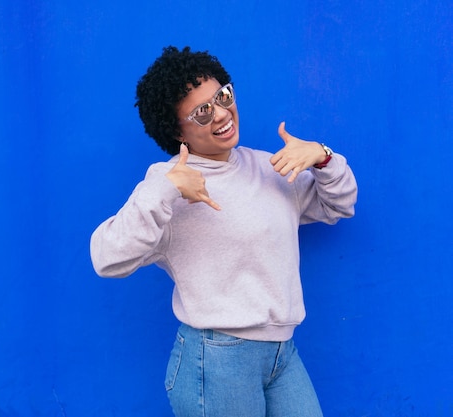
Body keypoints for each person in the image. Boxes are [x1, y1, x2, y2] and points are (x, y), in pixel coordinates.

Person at [89, 46, 357, 417]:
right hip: (216, 360)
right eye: (201, 112)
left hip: (282, 352)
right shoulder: (167, 186)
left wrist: (323, 158)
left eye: (222, 97)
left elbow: (338, 205)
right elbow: (106, 258)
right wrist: (165, 189)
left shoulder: (269, 167)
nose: (220, 114)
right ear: (175, 131)